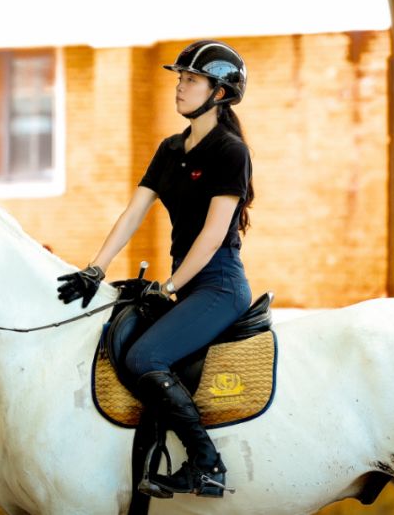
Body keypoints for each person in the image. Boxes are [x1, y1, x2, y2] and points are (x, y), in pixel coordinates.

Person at [57, 40, 254, 498]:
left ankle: (207, 464)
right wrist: (95, 270)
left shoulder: (231, 152)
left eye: (191, 80)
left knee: (145, 357)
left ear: (219, 93)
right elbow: (133, 212)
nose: (180, 87)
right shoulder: (170, 149)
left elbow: (212, 235)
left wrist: (168, 287)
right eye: (179, 78)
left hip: (219, 284)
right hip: (187, 283)